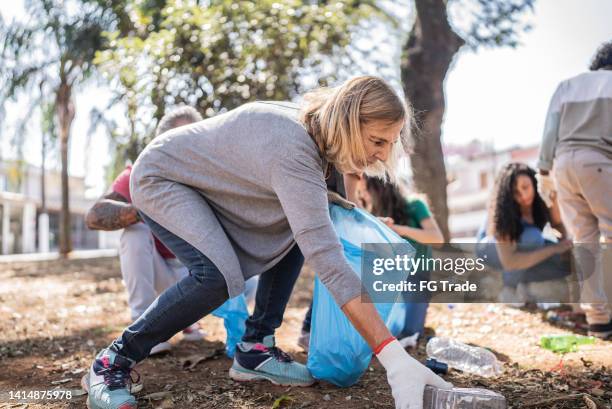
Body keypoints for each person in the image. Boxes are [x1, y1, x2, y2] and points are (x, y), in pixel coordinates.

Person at [83, 76, 452, 409]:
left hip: (215, 189)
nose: (383, 155)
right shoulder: (293, 147)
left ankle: (254, 350)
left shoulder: (322, 145)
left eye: (389, 144)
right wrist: (393, 357)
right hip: (164, 178)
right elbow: (327, 258)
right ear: (349, 121)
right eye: (377, 141)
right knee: (216, 279)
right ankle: (112, 361)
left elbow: (326, 224)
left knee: (301, 220)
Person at [85, 107, 208, 355]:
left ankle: (241, 332)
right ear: (159, 143)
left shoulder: (209, 174)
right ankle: (144, 326)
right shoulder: (139, 174)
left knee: (254, 276)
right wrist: (148, 206)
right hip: (162, 269)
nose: (184, 148)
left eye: (192, 138)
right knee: (135, 232)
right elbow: (94, 216)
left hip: (204, 274)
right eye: (176, 140)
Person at [537, 40, 612, 339]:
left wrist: (544, 171)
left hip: (563, 165)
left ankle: (598, 320)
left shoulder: (567, 85)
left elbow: (549, 131)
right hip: (600, 161)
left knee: (585, 241)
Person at [477, 163, 573, 304]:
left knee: (565, 260)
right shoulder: (504, 212)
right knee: (533, 238)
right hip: (489, 249)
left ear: (534, 182)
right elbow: (509, 261)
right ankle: (509, 289)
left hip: (528, 246)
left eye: (525, 187)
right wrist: (553, 249)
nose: (522, 195)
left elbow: (558, 227)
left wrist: (554, 205)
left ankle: (526, 286)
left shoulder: (541, 199)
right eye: (515, 192)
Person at [361, 176, 443, 337]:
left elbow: (437, 238)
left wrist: (399, 229)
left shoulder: (414, 205)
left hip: (416, 278)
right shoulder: (371, 215)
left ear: (378, 189)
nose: (363, 195)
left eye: (365, 190)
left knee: (410, 332)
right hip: (389, 280)